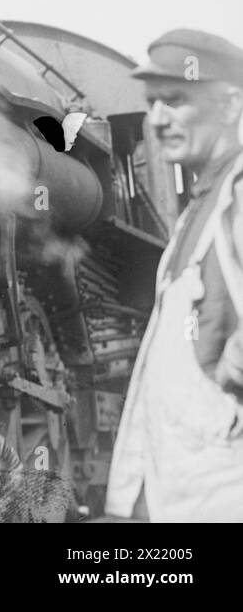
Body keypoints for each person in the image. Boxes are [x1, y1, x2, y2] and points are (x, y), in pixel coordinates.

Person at [107, 28, 243, 521]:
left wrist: (233, 373)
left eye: (177, 101)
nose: (158, 120)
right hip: (187, 492)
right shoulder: (197, 212)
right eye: (152, 103)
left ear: (229, 105)